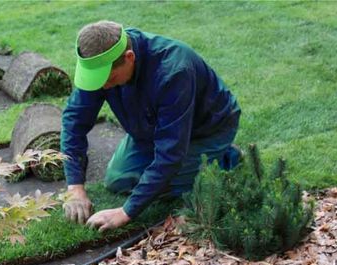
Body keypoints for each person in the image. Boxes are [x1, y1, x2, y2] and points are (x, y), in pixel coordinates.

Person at [60, 20, 242, 232]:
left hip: (207, 129)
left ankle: (227, 158)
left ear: (129, 58)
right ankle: (201, 160)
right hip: (152, 129)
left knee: (171, 186)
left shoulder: (174, 71)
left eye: (108, 78)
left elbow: (170, 155)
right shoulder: (102, 63)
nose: (102, 86)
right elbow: (74, 121)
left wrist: (126, 212)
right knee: (117, 180)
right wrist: (75, 188)